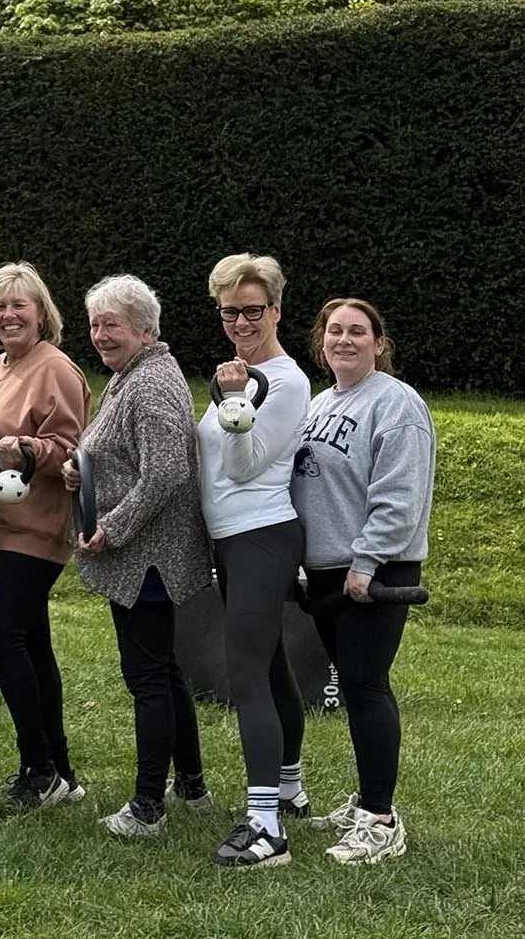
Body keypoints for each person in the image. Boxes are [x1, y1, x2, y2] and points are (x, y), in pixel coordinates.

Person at [62, 275, 212, 838]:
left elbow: (168, 471)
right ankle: (191, 786)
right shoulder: (135, 375)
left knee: (147, 677)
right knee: (165, 671)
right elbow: (124, 452)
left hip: (148, 559)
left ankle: (148, 807)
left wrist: (112, 526)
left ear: (145, 330)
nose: (101, 335)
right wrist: (85, 470)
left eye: (113, 325)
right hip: (145, 555)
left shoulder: (148, 385)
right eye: (96, 324)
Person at [291, 298, 435, 865]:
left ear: (379, 343)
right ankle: (364, 804)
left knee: (366, 684)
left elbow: (400, 494)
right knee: (352, 688)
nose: (344, 340)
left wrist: (368, 562)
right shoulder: (320, 401)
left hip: (373, 572)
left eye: (357, 331)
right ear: (321, 341)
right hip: (327, 571)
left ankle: (380, 818)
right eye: (334, 331)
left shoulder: (396, 403)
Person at [197, 252, 312, 868]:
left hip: (262, 536)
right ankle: (288, 790)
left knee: (244, 674)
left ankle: (266, 828)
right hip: (234, 538)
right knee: (268, 670)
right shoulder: (237, 375)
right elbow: (209, 459)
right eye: (229, 311)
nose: (241, 322)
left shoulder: (286, 381)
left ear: (276, 309)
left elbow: (244, 466)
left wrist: (236, 397)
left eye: (253, 310)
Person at [0, 261, 90, 812]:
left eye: (19, 305)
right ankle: (60, 770)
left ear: (42, 313)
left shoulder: (54, 368)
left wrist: (32, 450)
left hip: (37, 527)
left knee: (1, 634)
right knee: (33, 643)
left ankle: (39, 770)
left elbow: (71, 445)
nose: (8, 314)